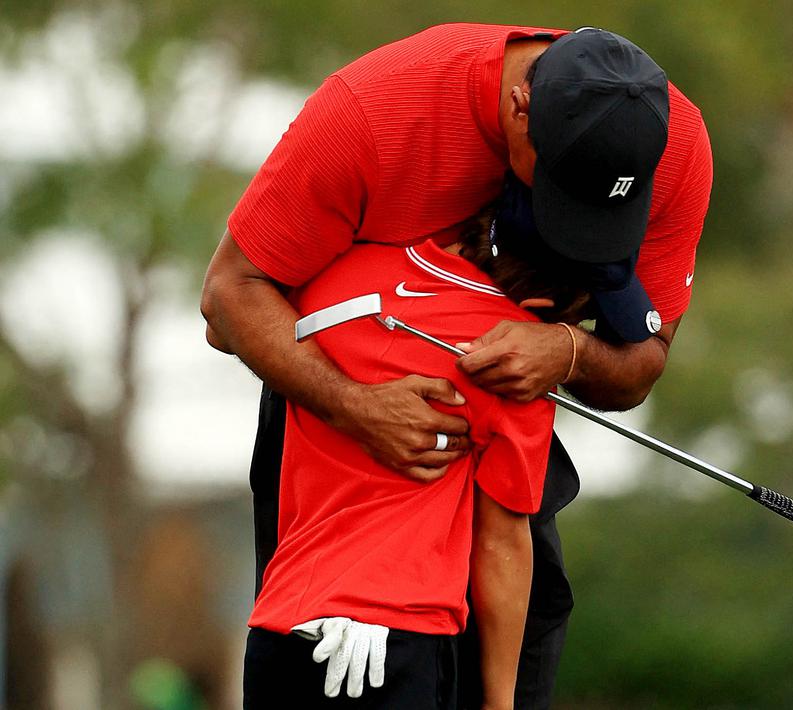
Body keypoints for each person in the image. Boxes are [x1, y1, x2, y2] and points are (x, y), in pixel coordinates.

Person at [202, 23, 712, 708]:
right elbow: (228, 297)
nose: (579, 226)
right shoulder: (371, 111)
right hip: (324, 391)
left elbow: (642, 364)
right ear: (518, 109)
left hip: (511, 395)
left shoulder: (673, 142)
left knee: (530, 611)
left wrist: (565, 350)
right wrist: (354, 405)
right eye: (564, 195)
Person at [244, 181, 600, 709]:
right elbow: (502, 544)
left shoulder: (341, 271)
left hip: (277, 636)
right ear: (547, 303)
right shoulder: (516, 359)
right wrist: (502, 702)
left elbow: (226, 326)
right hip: (392, 643)